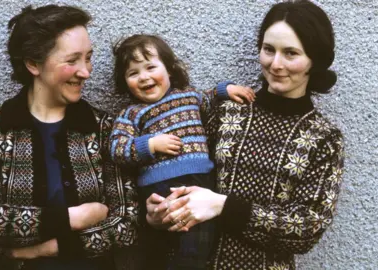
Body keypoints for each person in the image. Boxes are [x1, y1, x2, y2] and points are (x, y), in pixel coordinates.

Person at [145, 0, 345, 269]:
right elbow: (180, 172)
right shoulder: (227, 111)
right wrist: (157, 213)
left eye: (291, 53)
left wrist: (224, 207)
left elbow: (308, 229)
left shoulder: (324, 138)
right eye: (268, 49)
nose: (275, 64)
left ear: (314, 60)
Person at [0, 5, 138, 270]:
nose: (86, 71)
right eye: (72, 60)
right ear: (33, 63)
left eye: (88, 57)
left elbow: (126, 223)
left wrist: (44, 249)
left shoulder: (105, 128)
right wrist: (74, 217)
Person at [109, 34, 254, 269]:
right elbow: (117, 148)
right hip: (159, 190)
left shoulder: (188, 95)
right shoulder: (131, 113)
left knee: (196, 247)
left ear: (170, 70)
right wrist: (150, 145)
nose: (144, 77)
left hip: (200, 183)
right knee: (158, 248)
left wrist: (225, 89)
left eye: (150, 67)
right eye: (133, 73)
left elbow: (209, 98)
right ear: (124, 81)